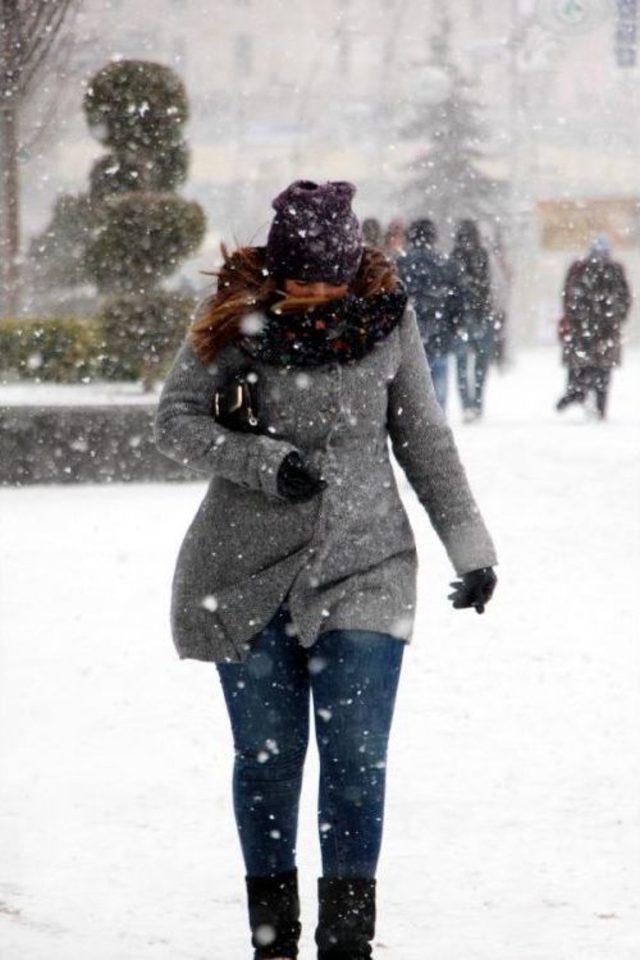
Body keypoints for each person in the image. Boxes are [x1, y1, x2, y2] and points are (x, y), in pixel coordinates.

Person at [155, 180, 498, 960]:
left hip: (367, 563)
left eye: (328, 280)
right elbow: (173, 419)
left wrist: (471, 550)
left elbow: (426, 442)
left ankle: (348, 943)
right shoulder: (237, 322)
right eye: (301, 280)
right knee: (268, 764)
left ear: (351, 269)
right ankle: (272, 940)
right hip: (246, 572)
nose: (315, 295)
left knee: (356, 760)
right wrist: (262, 461)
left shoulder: (387, 321)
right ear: (279, 268)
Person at [556, 235, 631, 419]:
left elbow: (624, 298)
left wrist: (615, 317)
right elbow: (624, 299)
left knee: (593, 367)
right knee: (595, 367)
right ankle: (587, 398)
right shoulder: (586, 269)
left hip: (594, 327)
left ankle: (584, 396)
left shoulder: (587, 269)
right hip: (593, 327)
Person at [398, 218, 464, 410]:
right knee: (439, 376)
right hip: (439, 332)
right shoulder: (447, 264)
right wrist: (454, 324)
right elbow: (457, 300)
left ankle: (416, 419)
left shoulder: (400, 264)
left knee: (411, 382)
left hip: (409, 335)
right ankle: (437, 418)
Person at [451, 219, 495, 421]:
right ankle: (476, 402)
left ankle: (467, 405)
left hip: (461, 317)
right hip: (481, 315)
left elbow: (453, 290)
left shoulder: (454, 256)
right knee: (480, 363)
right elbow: (486, 286)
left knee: (462, 364)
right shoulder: (481, 254)